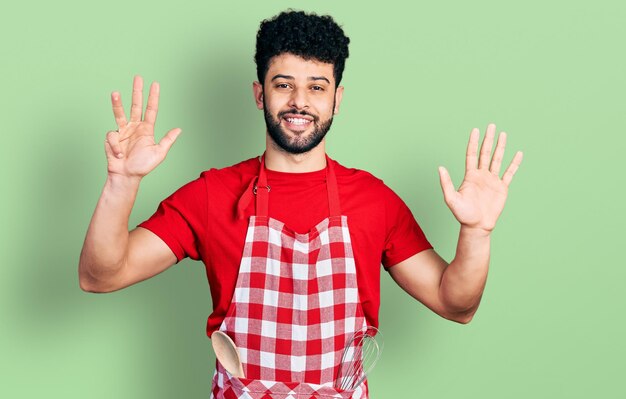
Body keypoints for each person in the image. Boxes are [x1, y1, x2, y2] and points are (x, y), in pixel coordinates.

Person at [78, 10, 523, 399]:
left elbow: (455, 304)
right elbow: (101, 275)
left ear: (337, 99)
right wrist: (123, 182)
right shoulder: (213, 195)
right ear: (259, 94)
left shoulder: (374, 201)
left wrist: (476, 233)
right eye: (283, 84)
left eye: (316, 87)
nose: (299, 102)